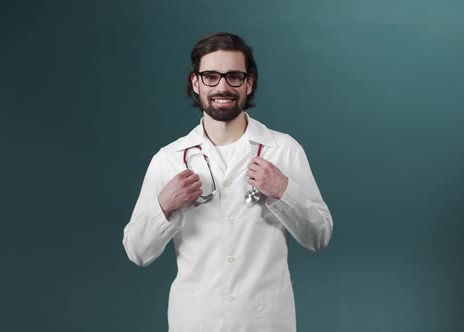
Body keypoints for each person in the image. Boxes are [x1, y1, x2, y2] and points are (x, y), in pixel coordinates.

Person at [122, 32, 333, 332]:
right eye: (211, 76)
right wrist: (163, 206)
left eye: (234, 76)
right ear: (195, 83)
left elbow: (319, 236)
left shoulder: (284, 150)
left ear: (249, 83)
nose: (222, 86)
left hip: (265, 324)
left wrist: (283, 192)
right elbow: (137, 251)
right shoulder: (168, 159)